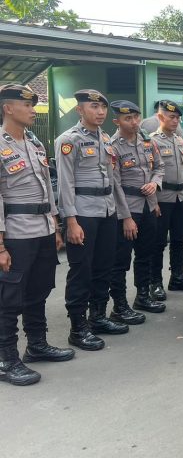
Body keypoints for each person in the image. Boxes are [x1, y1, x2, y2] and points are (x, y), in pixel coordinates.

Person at [0, 84, 72, 386]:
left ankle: (36, 345)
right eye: (27, 104)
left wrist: (55, 227)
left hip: (42, 230)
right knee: (9, 298)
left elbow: (48, 190)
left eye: (33, 104)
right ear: (8, 108)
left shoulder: (34, 143)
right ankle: (6, 359)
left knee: (38, 291)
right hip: (16, 233)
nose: (32, 109)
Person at [56, 89, 127, 351]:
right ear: (80, 110)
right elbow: (65, 184)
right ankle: (78, 327)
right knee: (81, 271)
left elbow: (111, 178)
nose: (100, 112)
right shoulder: (68, 140)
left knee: (104, 267)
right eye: (93, 107)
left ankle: (97, 317)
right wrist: (70, 221)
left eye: (102, 108)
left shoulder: (105, 139)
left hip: (107, 211)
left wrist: (120, 213)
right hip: (83, 213)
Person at [108, 100, 166, 324]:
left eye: (136, 117)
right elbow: (115, 185)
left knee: (145, 254)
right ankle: (120, 306)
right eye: (127, 118)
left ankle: (142, 297)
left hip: (148, 206)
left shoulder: (147, 141)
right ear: (117, 121)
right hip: (128, 209)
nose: (133, 122)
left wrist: (155, 183)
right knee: (121, 261)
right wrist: (126, 218)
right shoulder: (113, 146)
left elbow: (159, 167)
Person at [149, 100, 183, 300]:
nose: (175, 121)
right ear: (160, 117)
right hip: (162, 198)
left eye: (177, 117)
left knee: (178, 240)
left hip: (179, 198)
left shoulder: (179, 140)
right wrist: (152, 202)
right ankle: (155, 282)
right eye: (171, 117)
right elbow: (148, 175)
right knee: (158, 242)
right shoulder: (152, 142)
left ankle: (176, 277)